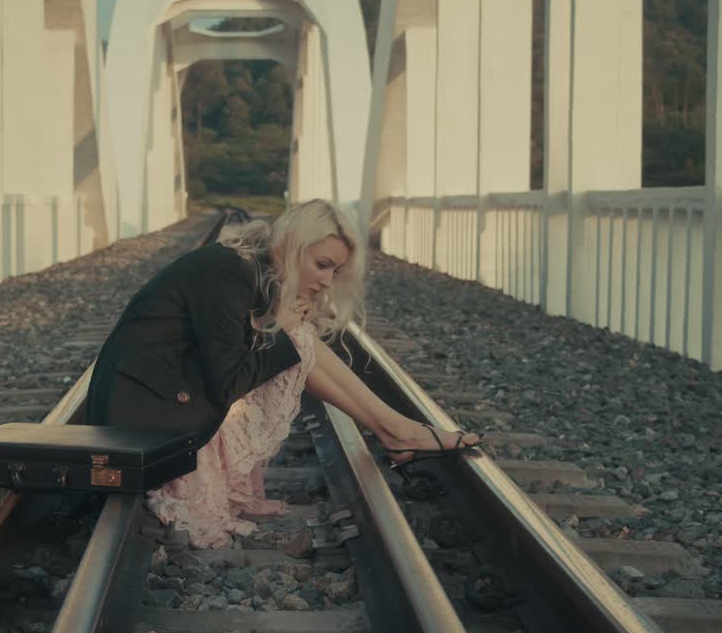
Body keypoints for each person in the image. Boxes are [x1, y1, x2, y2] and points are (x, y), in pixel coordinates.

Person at [84, 199, 481, 549]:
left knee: (300, 339)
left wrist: (285, 332)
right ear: (292, 246)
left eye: (335, 271)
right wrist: (285, 333)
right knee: (296, 340)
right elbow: (228, 385)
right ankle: (396, 430)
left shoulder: (250, 270)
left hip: (158, 396)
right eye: (322, 265)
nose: (327, 281)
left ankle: (394, 428)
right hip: (140, 415)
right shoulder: (227, 272)